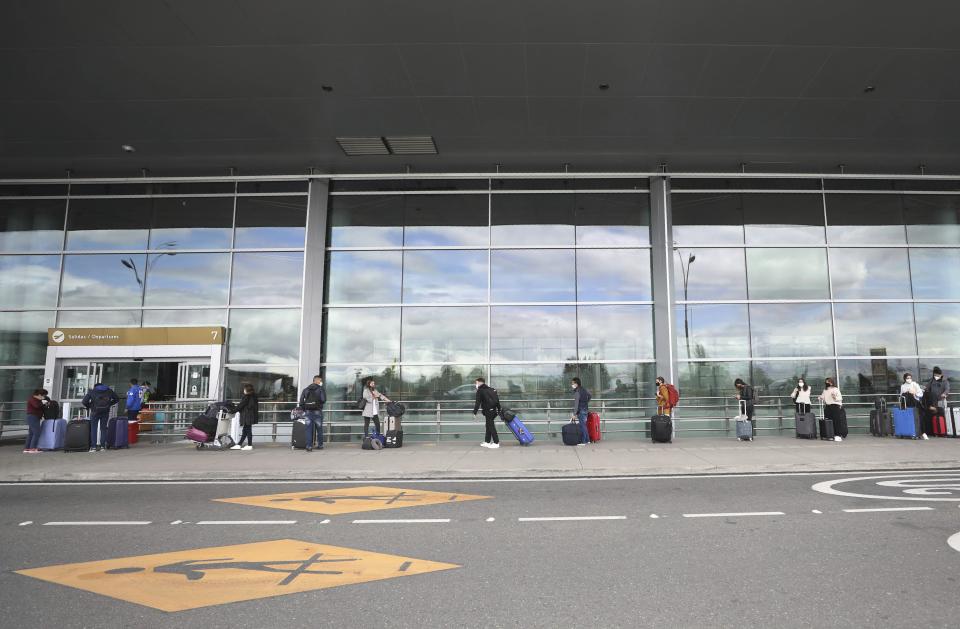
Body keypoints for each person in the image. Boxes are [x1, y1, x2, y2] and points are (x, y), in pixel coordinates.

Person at [81, 382, 119, 452]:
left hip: (94, 412)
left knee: (93, 429)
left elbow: (84, 401)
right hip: (105, 412)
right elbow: (117, 399)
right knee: (103, 429)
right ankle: (102, 447)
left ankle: (93, 447)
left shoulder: (92, 391)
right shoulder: (109, 391)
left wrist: (90, 406)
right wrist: (109, 404)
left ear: (95, 387)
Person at [299, 375, 327, 452]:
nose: (321, 382)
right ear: (316, 380)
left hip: (308, 412)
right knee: (319, 429)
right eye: (320, 380)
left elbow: (301, 401)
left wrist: (305, 409)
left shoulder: (306, 389)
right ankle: (320, 445)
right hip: (318, 411)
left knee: (308, 429)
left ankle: (309, 446)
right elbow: (323, 400)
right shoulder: (320, 389)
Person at [473, 377, 500, 449]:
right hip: (493, 411)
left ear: (479, 382)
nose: (476, 384)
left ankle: (496, 442)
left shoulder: (480, 390)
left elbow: (477, 402)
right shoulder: (492, 389)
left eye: (476, 383)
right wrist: (499, 409)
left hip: (488, 411)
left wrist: (474, 412)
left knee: (491, 426)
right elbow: (497, 400)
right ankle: (487, 442)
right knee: (488, 426)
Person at [231, 383, 258, 450]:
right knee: (245, 430)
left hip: (247, 416)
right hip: (250, 415)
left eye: (244, 389)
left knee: (248, 430)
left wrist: (232, 411)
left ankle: (249, 445)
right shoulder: (253, 396)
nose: (243, 390)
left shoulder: (247, 397)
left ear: (246, 390)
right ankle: (240, 444)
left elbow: (241, 405)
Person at [819, 378, 844, 442]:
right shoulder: (825, 390)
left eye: (828, 382)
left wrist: (834, 397)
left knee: (836, 420)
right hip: (828, 406)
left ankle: (838, 435)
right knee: (828, 420)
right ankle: (830, 434)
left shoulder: (835, 389)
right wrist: (820, 397)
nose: (827, 383)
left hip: (835, 405)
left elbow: (840, 398)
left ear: (831, 383)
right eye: (826, 382)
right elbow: (823, 397)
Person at [24, 389, 46, 454]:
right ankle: (32, 448)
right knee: (37, 433)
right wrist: (44, 404)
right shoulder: (32, 399)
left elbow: (40, 407)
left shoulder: (37, 400)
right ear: (39, 395)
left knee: (31, 433)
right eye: (43, 395)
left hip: (34, 417)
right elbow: (36, 406)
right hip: (33, 417)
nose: (44, 397)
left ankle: (27, 448)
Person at [571, 377, 591, 446]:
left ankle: (583, 441)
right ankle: (588, 440)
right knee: (584, 425)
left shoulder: (577, 392)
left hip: (581, 410)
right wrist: (585, 402)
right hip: (586, 409)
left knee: (582, 426)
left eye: (573, 383)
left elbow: (576, 404)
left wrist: (574, 414)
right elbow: (589, 395)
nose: (572, 385)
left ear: (576, 384)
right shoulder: (584, 389)